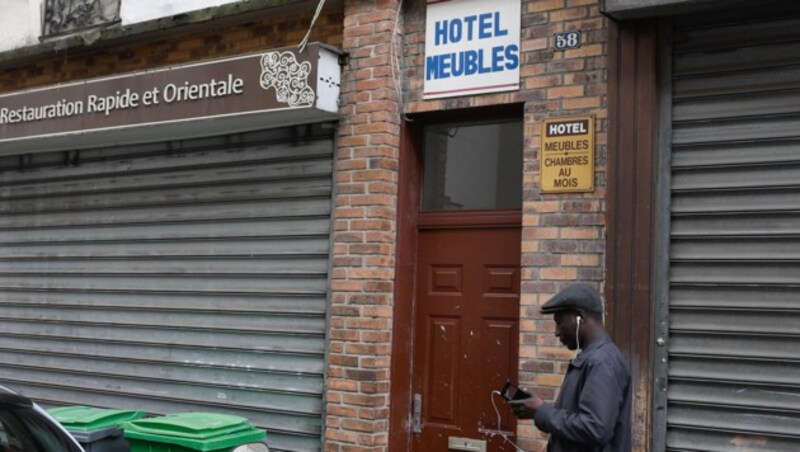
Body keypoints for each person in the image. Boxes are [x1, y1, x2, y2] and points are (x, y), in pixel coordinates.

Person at [507, 283, 631, 451]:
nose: (557, 332)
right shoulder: (591, 358)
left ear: (580, 317)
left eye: (559, 323)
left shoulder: (603, 362)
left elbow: (595, 429)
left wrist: (541, 411)